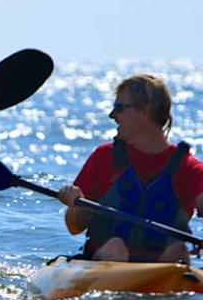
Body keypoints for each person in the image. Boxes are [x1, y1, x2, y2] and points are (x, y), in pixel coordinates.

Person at [58, 74, 203, 263]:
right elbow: (75, 227)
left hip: (162, 270)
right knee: (115, 247)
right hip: (106, 259)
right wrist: (75, 206)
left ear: (144, 111)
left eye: (119, 108)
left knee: (178, 250)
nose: (112, 115)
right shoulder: (104, 157)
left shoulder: (188, 168)